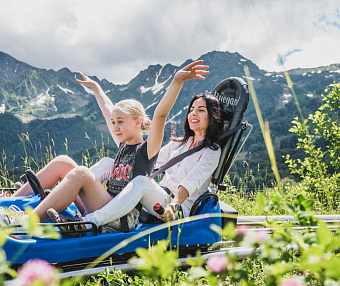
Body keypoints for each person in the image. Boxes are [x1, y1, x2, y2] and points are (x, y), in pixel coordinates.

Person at [0, 60, 210, 227]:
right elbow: (107, 112)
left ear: (138, 123)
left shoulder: (147, 150)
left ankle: (25, 222)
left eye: (120, 122)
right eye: (113, 123)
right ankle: (11, 201)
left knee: (82, 174)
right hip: (105, 203)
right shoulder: (123, 144)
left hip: (121, 217)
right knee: (64, 162)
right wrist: (96, 89)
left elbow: (161, 115)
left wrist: (177, 81)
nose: (114, 127)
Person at [50, 92, 223, 231]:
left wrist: (175, 205)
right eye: (192, 109)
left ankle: (89, 222)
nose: (193, 113)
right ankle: (63, 197)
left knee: (141, 182)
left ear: (212, 116)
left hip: (175, 209)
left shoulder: (212, 151)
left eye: (201, 110)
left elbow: (190, 182)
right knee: (108, 163)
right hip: (156, 198)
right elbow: (149, 161)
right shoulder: (179, 143)